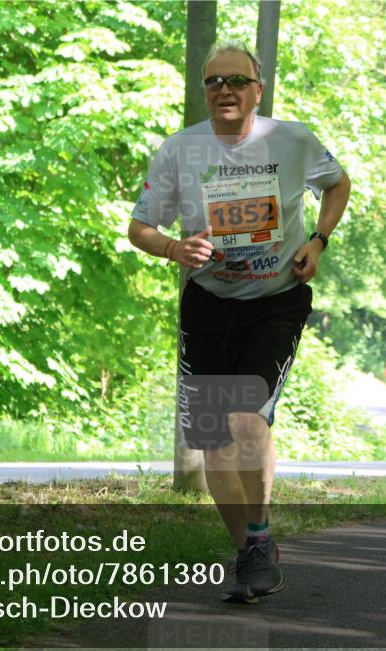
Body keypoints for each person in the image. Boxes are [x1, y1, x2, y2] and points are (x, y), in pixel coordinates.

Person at [128, 43, 351, 603]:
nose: (223, 90)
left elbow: (338, 183)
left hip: (276, 300)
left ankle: (258, 535)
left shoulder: (292, 140)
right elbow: (139, 228)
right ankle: (251, 549)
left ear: (258, 88)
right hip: (208, 303)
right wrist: (174, 248)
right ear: (204, 91)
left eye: (236, 80)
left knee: (247, 421)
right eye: (212, 82)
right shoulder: (180, 150)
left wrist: (318, 242)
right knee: (213, 445)